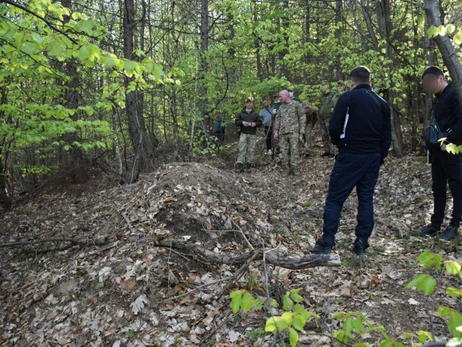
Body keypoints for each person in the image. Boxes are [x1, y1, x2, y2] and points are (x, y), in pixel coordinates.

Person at [310, 66, 392, 255]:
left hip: (351, 155)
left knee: (335, 199)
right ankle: (361, 243)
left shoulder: (346, 98)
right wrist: (380, 156)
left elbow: (334, 126)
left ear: (352, 82)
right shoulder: (382, 103)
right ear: (370, 81)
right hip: (372, 157)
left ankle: (327, 243)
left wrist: (340, 144)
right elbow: (387, 135)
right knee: (365, 199)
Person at [416, 66, 462, 240]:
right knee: (438, 187)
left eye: (430, 82)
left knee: (456, 187)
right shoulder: (439, 98)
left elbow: (461, 120)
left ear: (441, 78)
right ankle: (435, 224)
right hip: (438, 151)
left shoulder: (454, 94)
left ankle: (454, 225)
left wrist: (449, 141)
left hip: (452, 150)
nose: (428, 87)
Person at [274, 90, 305, 175]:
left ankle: (295, 168)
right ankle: (286, 169)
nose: (279, 98)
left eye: (280, 96)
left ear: (286, 96)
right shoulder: (281, 107)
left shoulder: (296, 104)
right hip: (283, 133)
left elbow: (302, 116)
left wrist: (302, 128)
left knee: (294, 151)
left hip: (293, 131)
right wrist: (276, 132)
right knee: (284, 152)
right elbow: (278, 119)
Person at [235, 99, 262, 173]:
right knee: (241, 149)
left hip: (252, 134)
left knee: (251, 150)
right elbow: (236, 122)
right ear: (245, 104)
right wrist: (242, 122)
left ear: (252, 104)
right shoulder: (241, 113)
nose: (249, 104)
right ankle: (240, 166)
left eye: (250, 103)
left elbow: (260, 123)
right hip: (243, 133)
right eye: (247, 103)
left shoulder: (255, 114)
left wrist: (255, 124)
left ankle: (249, 166)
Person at [319, 85, 339, 157]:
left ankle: (332, 151)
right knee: (324, 135)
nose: (322, 89)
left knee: (330, 134)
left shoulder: (333, 94)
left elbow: (336, 102)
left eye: (324, 87)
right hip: (322, 117)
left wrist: (334, 108)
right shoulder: (322, 97)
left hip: (329, 117)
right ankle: (326, 150)